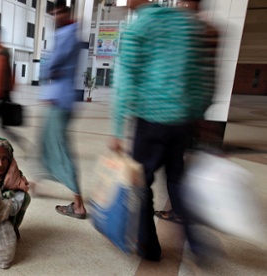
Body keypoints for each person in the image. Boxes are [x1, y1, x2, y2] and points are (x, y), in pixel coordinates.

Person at [110, 0, 214, 261]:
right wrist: (199, 112)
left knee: (142, 183)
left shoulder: (139, 28)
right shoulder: (185, 23)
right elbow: (203, 74)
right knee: (177, 179)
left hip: (151, 120)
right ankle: (197, 243)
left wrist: (117, 128)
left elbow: (125, 81)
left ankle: (148, 246)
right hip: (182, 121)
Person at [154, 0, 219, 225]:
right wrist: (202, 114)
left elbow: (165, 73)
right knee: (175, 169)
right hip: (187, 116)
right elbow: (209, 79)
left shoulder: (181, 30)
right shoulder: (209, 31)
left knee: (150, 172)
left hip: (166, 114)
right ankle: (183, 217)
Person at [38, 0, 86, 219]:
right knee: (47, 144)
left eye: (58, 13)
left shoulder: (66, 33)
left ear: (66, 13)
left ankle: (78, 204)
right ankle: (35, 182)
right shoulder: (71, 32)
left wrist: (47, 66)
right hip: (59, 98)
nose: (55, 17)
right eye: (53, 13)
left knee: (60, 148)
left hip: (60, 100)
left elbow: (52, 64)